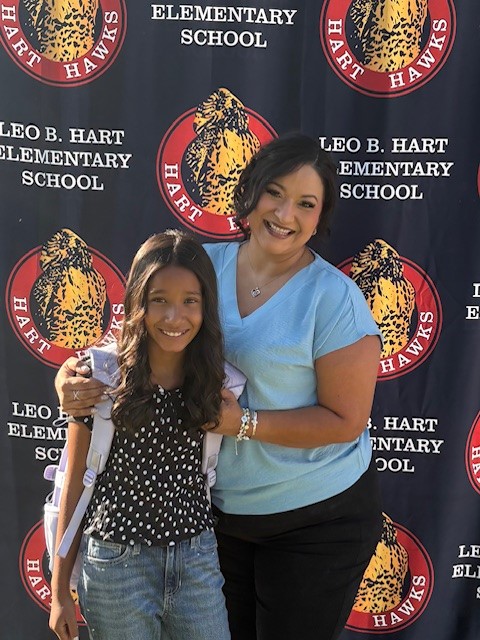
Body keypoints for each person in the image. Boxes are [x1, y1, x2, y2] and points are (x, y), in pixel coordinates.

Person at [55, 133, 383, 640]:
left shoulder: (335, 299)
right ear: (250, 192)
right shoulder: (201, 265)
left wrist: (242, 423)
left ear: (321, 217)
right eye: (274, 192)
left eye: (306, 203)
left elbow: (346, 421)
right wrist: (71, 376)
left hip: (315, 524)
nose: (285, 214)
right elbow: (128, 343)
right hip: (217, 522)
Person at [49, 230, 231, 640]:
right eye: (159, 300)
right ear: (137, 303)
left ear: (206, 306)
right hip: (116, 568)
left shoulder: (217, 382)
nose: (174, 317)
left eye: (190, 301)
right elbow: (73, 485)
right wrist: (59, 590)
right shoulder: (99, 378)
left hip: (196, 560)